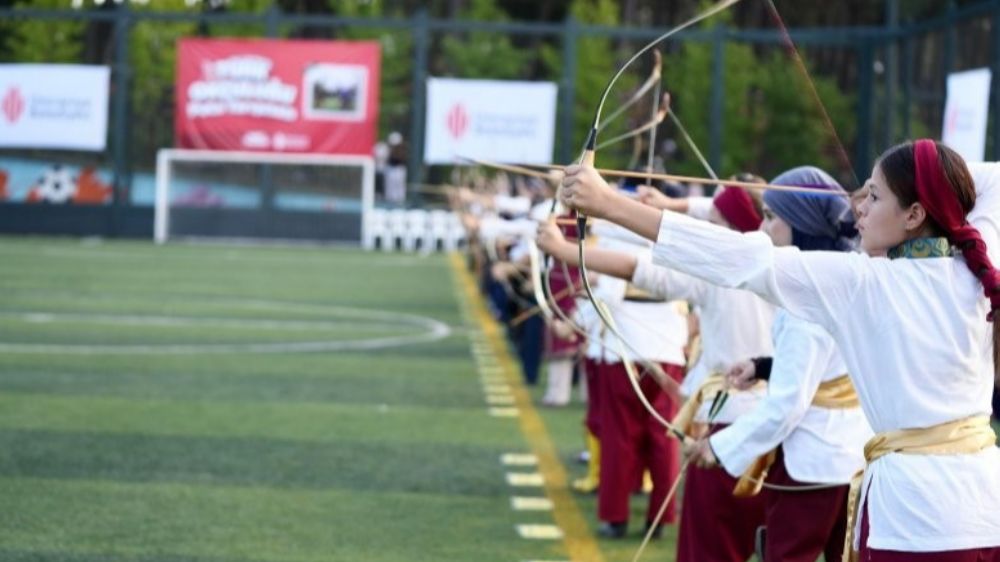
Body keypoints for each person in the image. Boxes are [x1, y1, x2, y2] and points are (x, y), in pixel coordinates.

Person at [559, 140, 1000, 560]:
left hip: (916, 520)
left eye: (874, 196)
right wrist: (926, 171)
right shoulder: (976, 258)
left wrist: (608, 204)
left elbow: (739, 258)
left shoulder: (860, 282)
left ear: (915, 214)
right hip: (985, 504)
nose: (858, 207)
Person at [538, 180, 774, 561]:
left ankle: (621, 513)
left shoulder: (720, 271)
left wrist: (564, 250)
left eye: (713, 224)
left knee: (709, 548)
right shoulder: (796, 265)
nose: (705, 229)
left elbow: (637, 268)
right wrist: (672, 204)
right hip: (778, 433)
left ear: (731, 230)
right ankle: (654, 513)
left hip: (726, 425)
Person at [707, 166, 872, 562]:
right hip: (854, 460)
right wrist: (765, 367)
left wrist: (718, 446)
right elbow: (832, 365)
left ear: (799, 225)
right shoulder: (850, 279)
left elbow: (786, 407)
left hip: (812, 465)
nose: (762, 228)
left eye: (770, 217)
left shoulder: (808, 307)